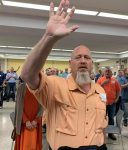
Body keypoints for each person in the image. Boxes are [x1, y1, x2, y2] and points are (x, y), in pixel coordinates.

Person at [21, 0, 108, 150]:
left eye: (87, 58)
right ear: (70, 64)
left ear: (92, 64)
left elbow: (101, 125)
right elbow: (28, 74)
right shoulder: (55, 85)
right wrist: (49, 37)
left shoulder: (100, 91)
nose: (82, 61)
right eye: (77, 58)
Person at [14, 77, 43, 150]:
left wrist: (36, 120)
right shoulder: (22, 87)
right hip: (23, 123)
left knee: (34, 144)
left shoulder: (41, 88)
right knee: (24, 145)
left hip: (36, 123)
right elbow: (19, 106)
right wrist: (25, 120)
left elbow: (42, 106)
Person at [97, 67, 120, 141]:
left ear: (111, 72)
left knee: (111, 118)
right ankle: (100, 133)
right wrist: (102, 84)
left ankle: (111, 133)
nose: (107, 72)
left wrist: (117, 99)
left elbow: (118, 90)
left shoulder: (114, 80)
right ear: (104, 72)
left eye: (109, 71)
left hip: (112, 103)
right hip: (102, 103)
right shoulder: (100, 80)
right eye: (106, 71)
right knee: (102, 118)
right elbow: (96, 90)